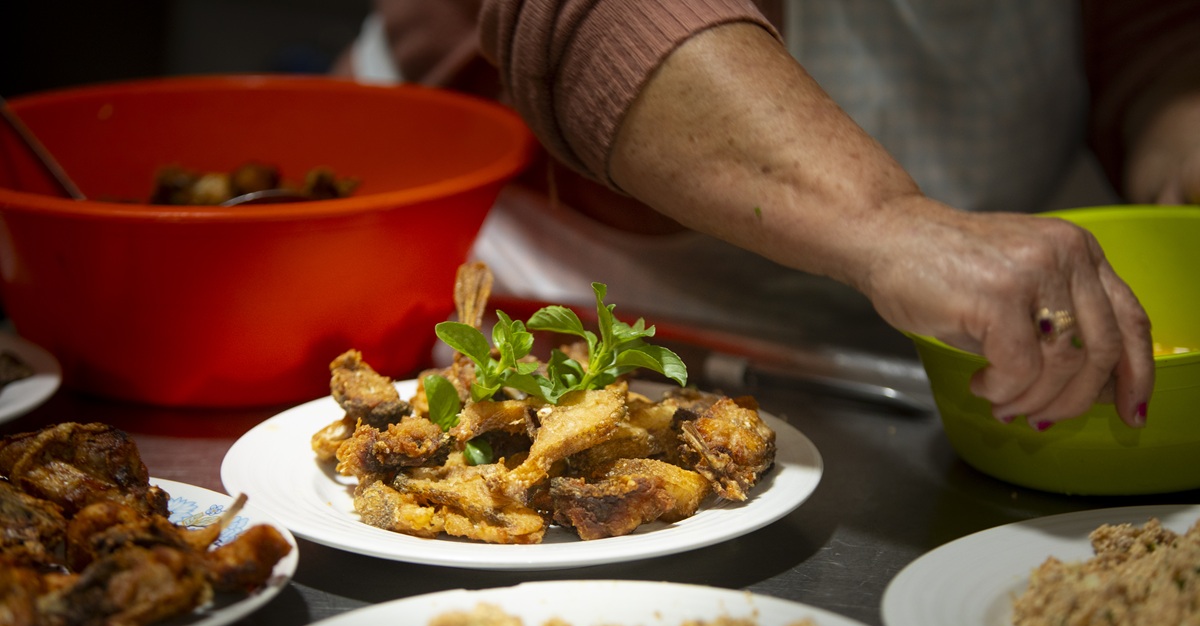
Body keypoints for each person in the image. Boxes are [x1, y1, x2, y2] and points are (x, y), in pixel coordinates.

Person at [334, 1, 1200, 430]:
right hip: (579, 294)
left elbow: (1143, 23)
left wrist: (1177, 120)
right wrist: (892, 224)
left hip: (939, 343)